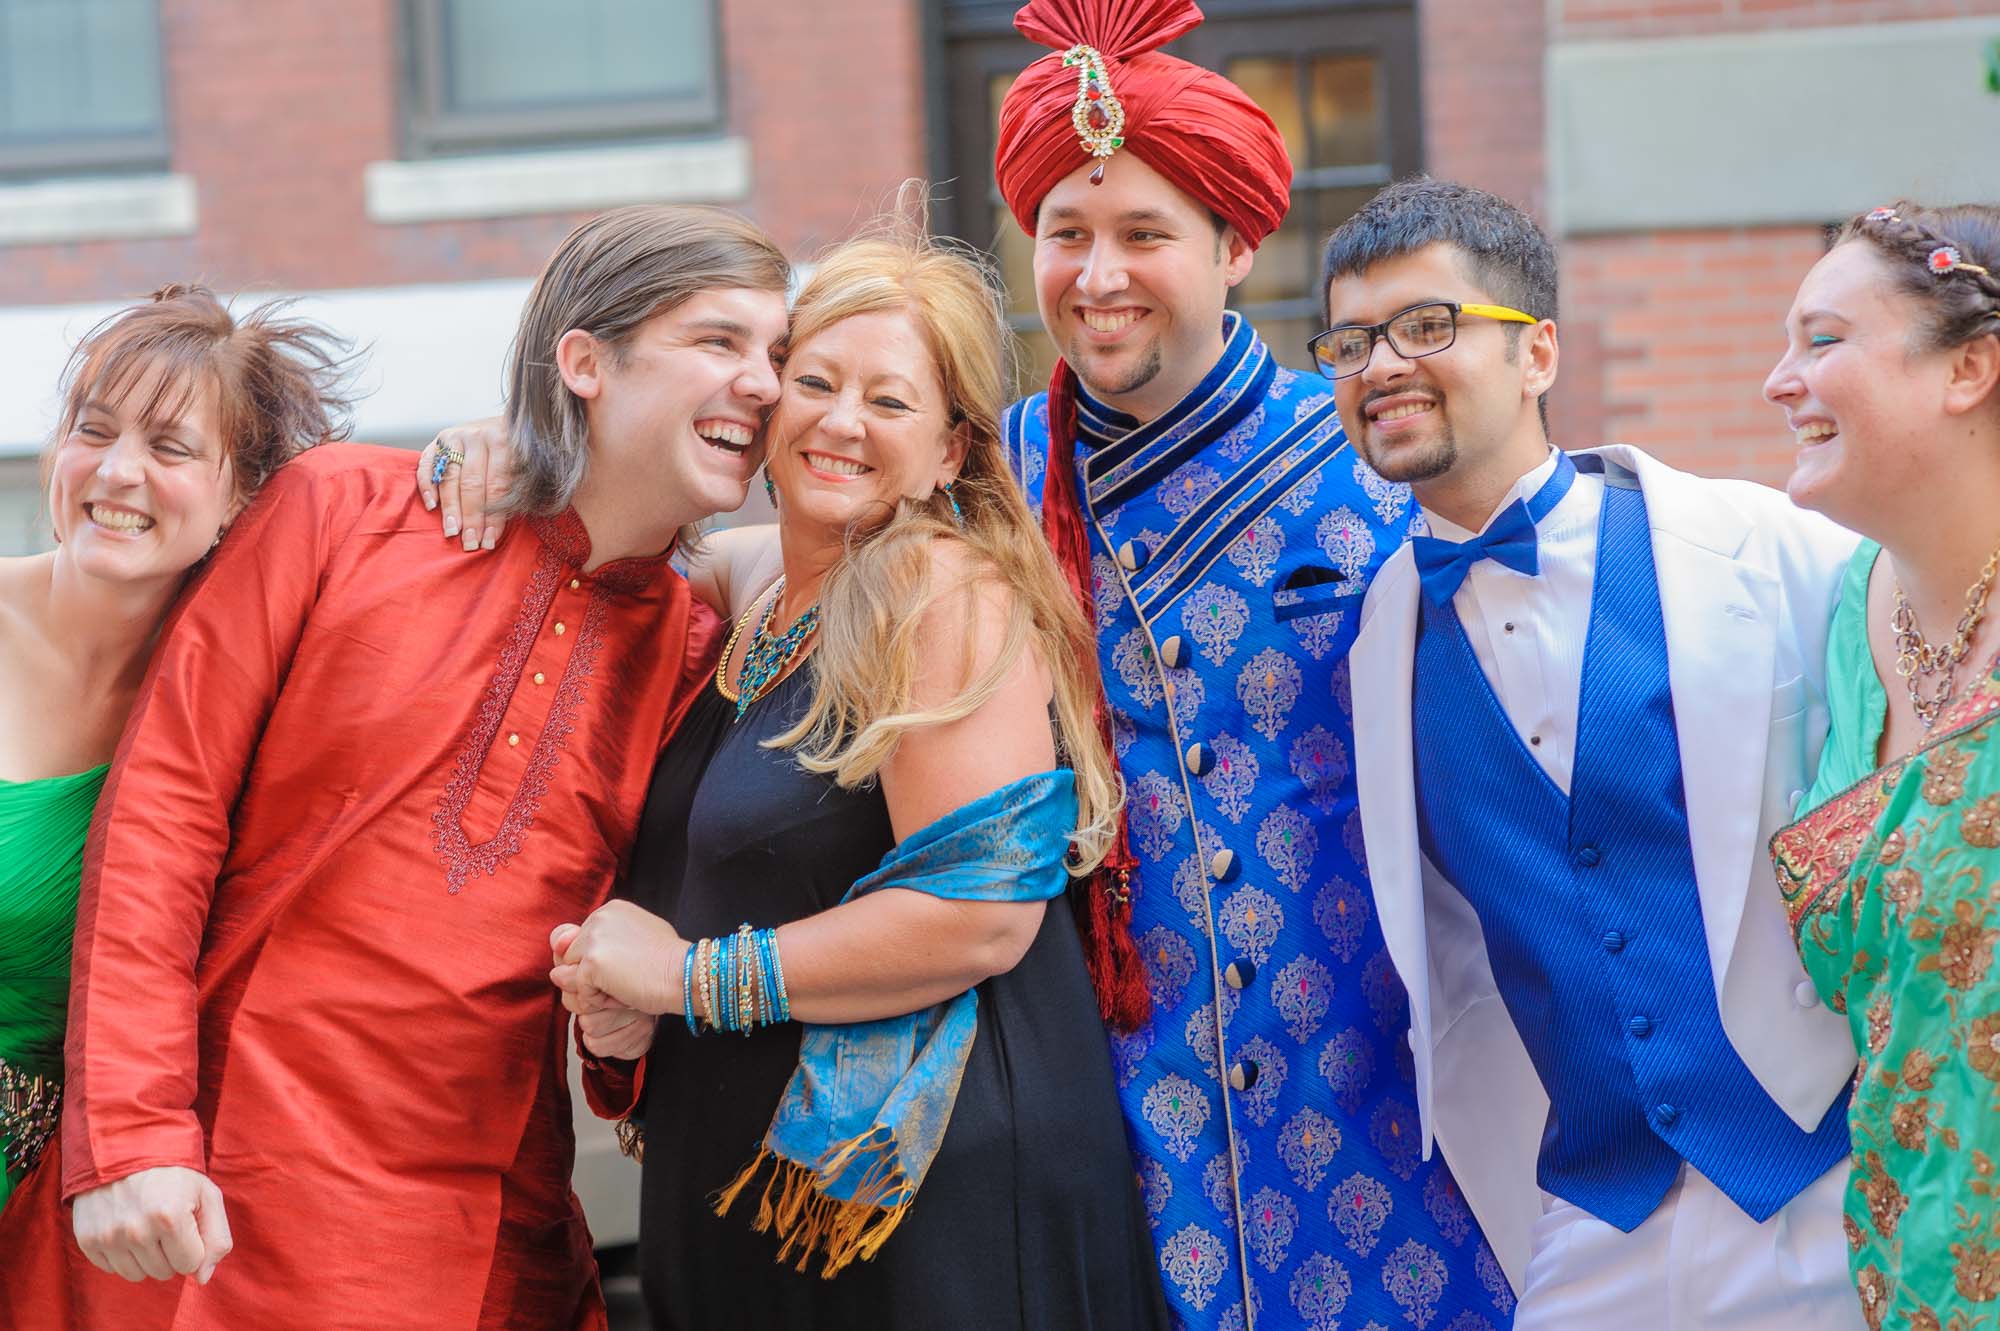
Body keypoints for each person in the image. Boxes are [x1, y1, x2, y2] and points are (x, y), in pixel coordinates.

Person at [0, 205, 790, 1331]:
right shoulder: (344, 510)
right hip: (204, 1205)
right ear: (584, 361)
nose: (761, 382)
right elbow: (161, 818)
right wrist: (130, 1133)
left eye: (775, 354)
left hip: (471, 1241)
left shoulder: (692, 660)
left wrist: (623, 1038)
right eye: (719, 341)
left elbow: (638, 979)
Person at [540, 218, 1170, 1328]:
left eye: (889, 402)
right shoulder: (762, 585)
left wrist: (686, 977)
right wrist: (497, 453)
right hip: (759, 1198)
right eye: (814, 380)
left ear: (948, 451)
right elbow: (623, 526)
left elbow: (975, 917)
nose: (839, 421)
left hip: (927, 1208)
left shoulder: (939, 590)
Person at [994, 3, 1500, 1326]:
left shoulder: (1372, 456)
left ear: (1235, 245)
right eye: (1068, 234)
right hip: (1124, 1124)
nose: (1099, 273)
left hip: (1393, 1107)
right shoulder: (983, 483)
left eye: (1144, 234)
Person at [1334, 176, 1865, 1329]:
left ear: (1537, 355)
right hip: (1590, 1213)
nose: (1379, 365)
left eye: (1426, 326)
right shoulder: (1376, 635)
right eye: (1351, 340)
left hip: (1819, 1169)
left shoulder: (1756, 544)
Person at [0, 286, 348, 1225]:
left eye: (169, 447)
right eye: (93, 430)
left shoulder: (248, 713)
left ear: (245, 498)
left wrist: (488, 449)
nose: (117, 473)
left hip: (56, 1212)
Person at [1766, 202, 2000, 1331]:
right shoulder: (1842, 618)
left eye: (1821, 340)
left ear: (1967, 367)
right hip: (1900, 1276)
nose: (1777, 381)